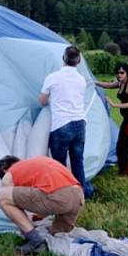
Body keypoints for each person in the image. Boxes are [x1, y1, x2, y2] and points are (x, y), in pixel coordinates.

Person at [0, 155, 85, 256]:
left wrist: (23, 224)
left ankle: (36, 242)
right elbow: (45, 195)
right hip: (78, 197)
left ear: (4, 170)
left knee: (1, 195)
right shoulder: (37, 163)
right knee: (58, 235)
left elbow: (11, 201)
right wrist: (39, 216)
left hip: (60, 198)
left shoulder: (10, 173)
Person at [39, 45, 94, 198]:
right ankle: (82, 194)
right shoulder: (81, 79)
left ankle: (63, 195)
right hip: (80, 123)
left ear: (63, 58)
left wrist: (51, 98)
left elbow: (42, 101)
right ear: (78, 61)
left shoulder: (52, 77)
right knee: (77, 161)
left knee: (59, 164)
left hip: (61, 124)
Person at [96, 63, 128, 176]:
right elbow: (108, 85)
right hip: (127, 119)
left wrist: (113, 104)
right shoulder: (121, 83)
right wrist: (93, 82)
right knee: (121, 146)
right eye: (118, 72)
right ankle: (123, 170)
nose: (119, 75)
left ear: (127, 73)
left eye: (122, 72)